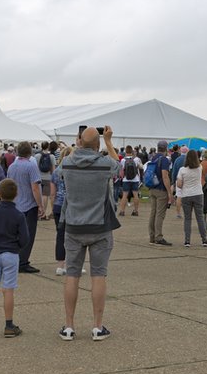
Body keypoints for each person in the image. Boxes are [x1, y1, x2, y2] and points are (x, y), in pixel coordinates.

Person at [57, 126, 121, 342]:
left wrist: (80, 144)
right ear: (98, 145)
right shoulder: (104, 165)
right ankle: (97, 326)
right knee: (98, 275)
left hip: (74, 225)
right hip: (100, 226)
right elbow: (118, 167)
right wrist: (109, 142)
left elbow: (60, 172)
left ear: (79, 142)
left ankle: (68, 326)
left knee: (72, 275)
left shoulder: (66, 163)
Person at [0, 178, 30, 338]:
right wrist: (17, 247)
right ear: (16, 195)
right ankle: (9, 325)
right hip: (11, 253)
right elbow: (25, 238)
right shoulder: (18, 215)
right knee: (8, 290)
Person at [7, 142, 44, 273]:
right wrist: (40, 205)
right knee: (28, 235)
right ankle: (23, 262)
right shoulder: (31, 166)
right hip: (29, 205)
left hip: (15, 204)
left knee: (16, 235)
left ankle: (15, 260)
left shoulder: (12, 167)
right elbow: (35, 187)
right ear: (30, 152)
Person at [175, 150, 207, 247]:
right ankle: (204, 240)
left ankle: (187, 241)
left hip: (186, 195)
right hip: (198, 194)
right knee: (200, 218)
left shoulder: (182, 170)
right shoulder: (200, 168)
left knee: (188, 219)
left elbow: (179, 185)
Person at [146, 140, 175, 246]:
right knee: (160, 214)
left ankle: (152, 237)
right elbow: (165, 176)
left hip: (152, 188)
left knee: (153, 213)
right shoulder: (164, 160)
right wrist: (169, 193)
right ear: (166, 148)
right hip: (161, 189)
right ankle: (159, 237)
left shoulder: (153, 157)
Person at [53, 146, 72, 275]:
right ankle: (71, 263)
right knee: (72, 237)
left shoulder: (56, 172)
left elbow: (53, 192)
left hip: (58, 205)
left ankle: (60, 265)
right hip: (70, 206)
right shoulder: (72, 171)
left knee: (60, 235)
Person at [117, 145, 142, 217]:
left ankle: (122, 211)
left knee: (124, 195)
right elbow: (140, 167)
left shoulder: (123, 160)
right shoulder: (136, 159)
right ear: (132, 151)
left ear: (126, 151)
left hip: (126, 179)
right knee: (135, 195)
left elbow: (121, 170)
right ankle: (136, 211)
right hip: (135, 179)